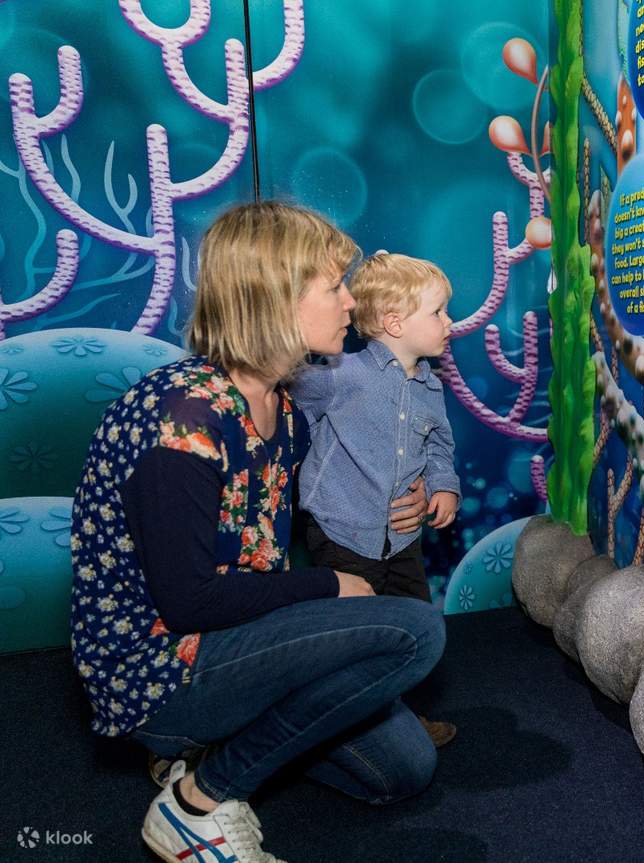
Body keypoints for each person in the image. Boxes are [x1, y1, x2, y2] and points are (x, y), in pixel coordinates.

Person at [69, 202, 444, 863]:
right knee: (416, 630)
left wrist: (406, 496)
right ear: (276, 300)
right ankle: (197, 802)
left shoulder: (286, 404)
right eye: (333, 286)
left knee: (401, 770)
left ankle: (208, 748)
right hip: (163, 673)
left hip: (241, 637)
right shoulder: (182, 422)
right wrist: (328, 582)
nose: (349, 299)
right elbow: (187, 601)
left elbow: (352, 460)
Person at [291, 252, 461, 603]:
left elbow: (439, 445)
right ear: (395, 324)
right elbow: (289, 400)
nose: (449, 322)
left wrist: (443, 485)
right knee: (353, 626)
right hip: (341, 532)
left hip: (402, 536)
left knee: (415, 618)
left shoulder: (431, 388)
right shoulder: (343, 374)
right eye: (437, 312)